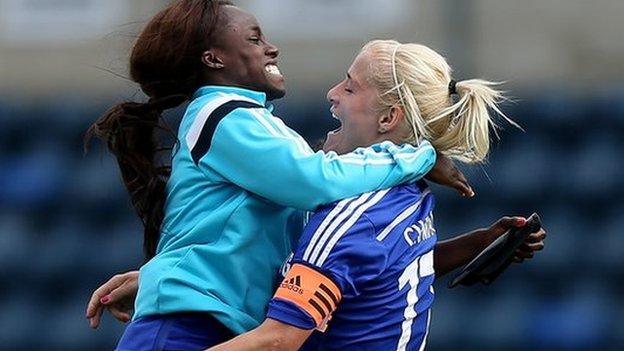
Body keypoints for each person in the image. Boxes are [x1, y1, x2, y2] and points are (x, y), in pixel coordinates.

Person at [84, 1, 467, 350]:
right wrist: (417, 156)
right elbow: (314, 180)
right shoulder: (222, 114)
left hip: (216, 325)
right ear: (213, 59)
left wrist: (157, 276)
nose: (271, 48)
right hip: (186, 329)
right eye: (254, 39)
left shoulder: (256, 123)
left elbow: (333, 254)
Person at [202, 40, 547, 350]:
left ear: (388, 118)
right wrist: (476, 243)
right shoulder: (411, 194)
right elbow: (381, 269)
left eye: (350, 88)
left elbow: (277, 341)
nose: (332, 93)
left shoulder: (350, 216)